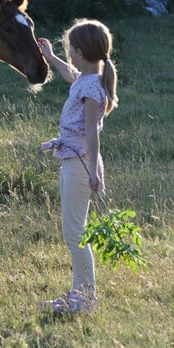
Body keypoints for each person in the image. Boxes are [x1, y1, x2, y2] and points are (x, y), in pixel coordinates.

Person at [38, 18, 119, 314]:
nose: (68, 52)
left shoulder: (92, 90)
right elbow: (71, 74)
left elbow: (91, 133)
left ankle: (85, 298)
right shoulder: (89, 79)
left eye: (70, 48)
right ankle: (79, 292)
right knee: (73, 230)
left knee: (75, 232)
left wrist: (94, 172)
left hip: (80, 164)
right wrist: (51, 57)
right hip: (73, 160)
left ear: (81, 52)